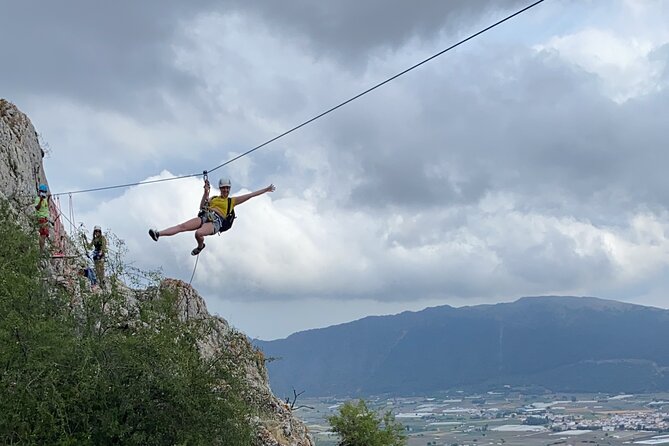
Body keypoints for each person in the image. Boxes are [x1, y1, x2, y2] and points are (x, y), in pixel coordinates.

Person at [148, 178, 275, 255]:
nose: (225, 190)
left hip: (216, 222)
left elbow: (250, 195)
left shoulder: (232, 201)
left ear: (229, 189)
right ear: (220, 188)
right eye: (223, 188)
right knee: (182, 226)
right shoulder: (214, 198)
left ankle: (200, 246)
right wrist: (206, 192)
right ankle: (158, 234)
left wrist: (266, 189)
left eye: (227, 188)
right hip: (205, 215)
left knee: (198, 234)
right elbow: (202, 206)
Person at [34, 184, 50, 251]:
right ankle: (41, 250)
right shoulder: (38, 199)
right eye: (42, 191)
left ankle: (42, 249)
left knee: (45, 235)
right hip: (41, 218)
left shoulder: (45, 199)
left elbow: (46, 206)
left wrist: (48, 198)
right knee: (42, 234)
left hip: (45, 219)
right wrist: (40, 200)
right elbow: (37, 208)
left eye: (44, 192)